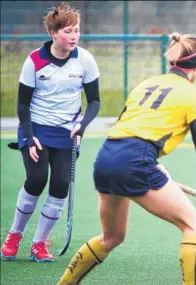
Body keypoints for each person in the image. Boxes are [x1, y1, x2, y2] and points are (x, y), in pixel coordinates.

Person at [57, 32, 196, 285]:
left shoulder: (147, 83)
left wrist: (152, 161)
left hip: (107, 156)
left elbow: (128, 125)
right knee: (194, 225)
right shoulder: (193, 95)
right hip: (136, 160)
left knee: (111, 237)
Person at [1, 1, 100, 263]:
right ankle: (14, 235)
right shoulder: (35, 61)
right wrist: (30, 136)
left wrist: (82, 125)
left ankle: (39, 244)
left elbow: (95, 101)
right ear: (53, 34)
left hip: (67, 132)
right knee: (36, 180)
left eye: (76, 30)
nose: (74, 36)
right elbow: (22, 104)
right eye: (68, 31)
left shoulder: (85, 60)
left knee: (59, 185)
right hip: (35, 128)